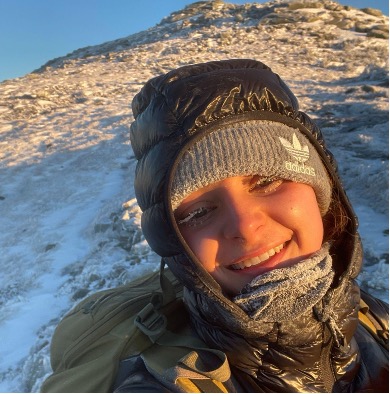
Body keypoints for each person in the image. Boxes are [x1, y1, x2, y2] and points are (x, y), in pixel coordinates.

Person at [116, 58, 388, 392]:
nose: (244, 226)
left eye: (268, 181)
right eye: (198, 213)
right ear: (176, 245)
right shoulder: (166, 382)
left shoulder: (369, 315)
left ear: (321, 191)